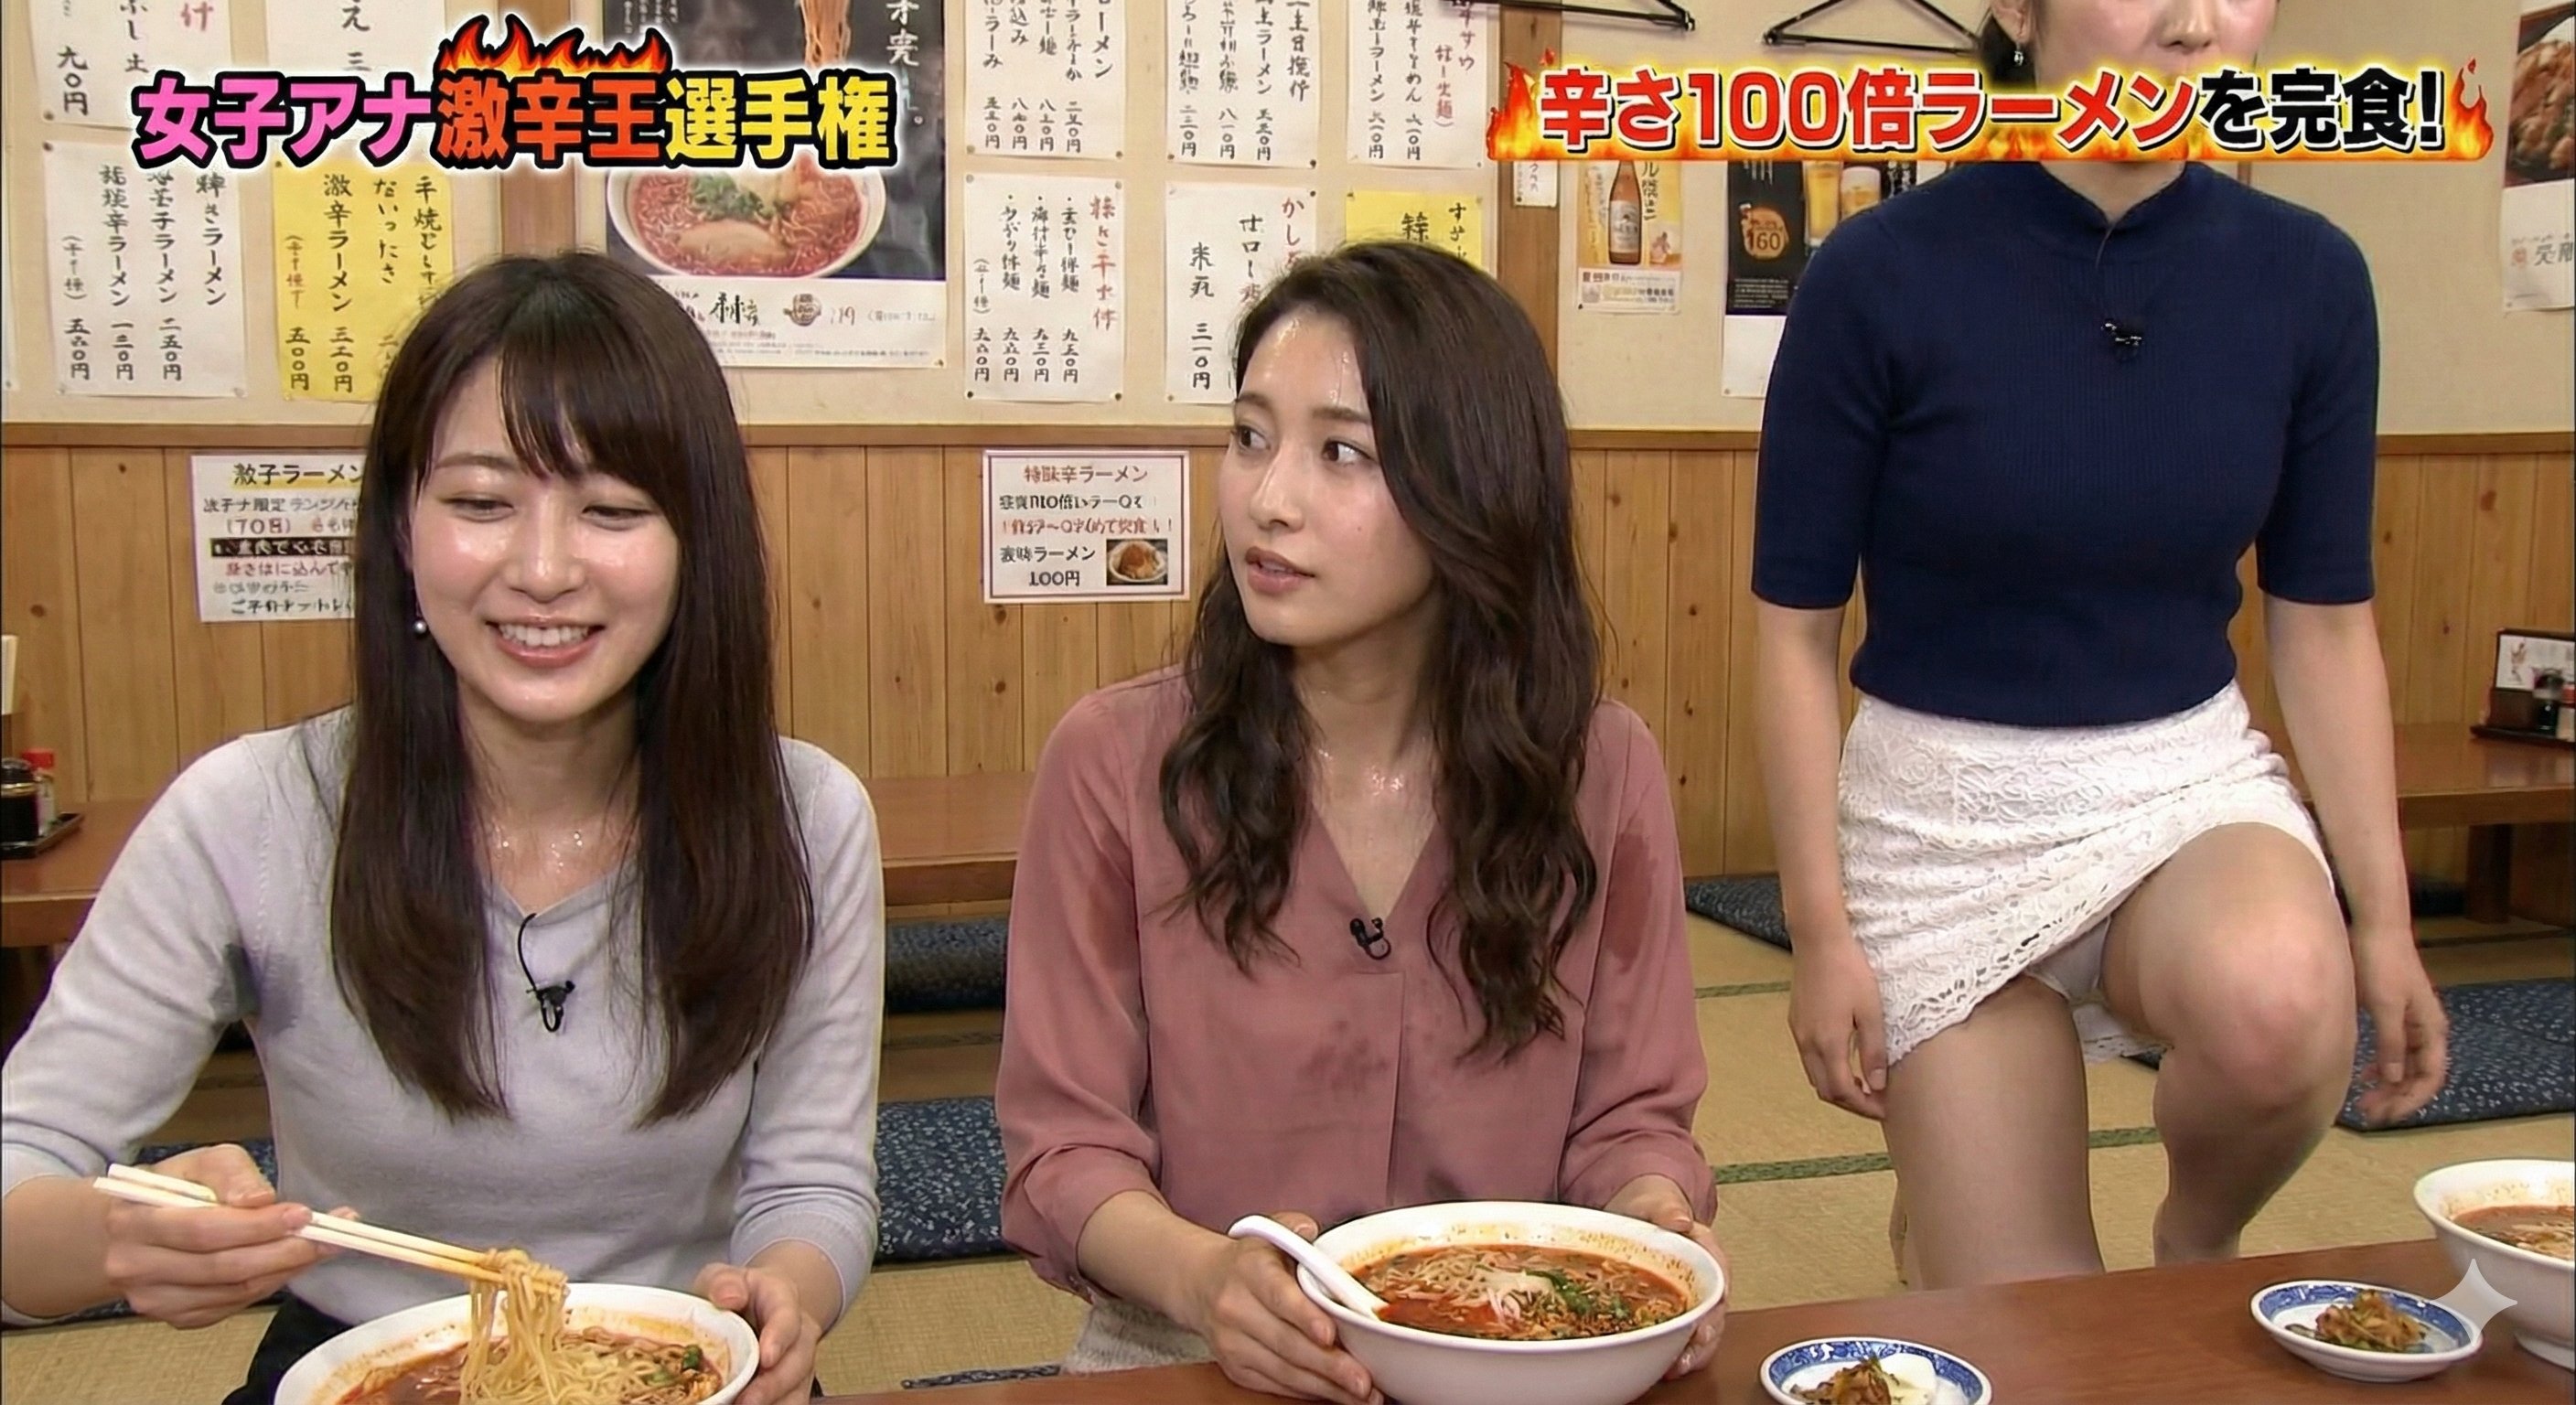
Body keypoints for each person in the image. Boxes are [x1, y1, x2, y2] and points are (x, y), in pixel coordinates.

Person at [0, 252, 885, 1405]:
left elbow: (812, 1182)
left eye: (614, 511)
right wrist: (118, 1240)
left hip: (688, 1365)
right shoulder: (249, 813)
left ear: (695, 546)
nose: (544, 570)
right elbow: (21, 1166)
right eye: (479, 503)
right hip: (367, 1364)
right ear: (401, 528)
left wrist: (781, 1298)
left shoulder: (806, 817)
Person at [1751, 0, 2451, 1292]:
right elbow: (1794, 634)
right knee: (2037, 1339)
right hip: (1942, 822)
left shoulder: (2307, 276)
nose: (2197, 20)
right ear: (2017, 9)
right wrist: (1820, 929)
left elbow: (2323, 619)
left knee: (2282, 1000)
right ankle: (1951, 1208)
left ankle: (2197, 1241)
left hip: (2181, 788)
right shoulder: (1878, 271)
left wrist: (2386, 920)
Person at [995, 241, 1723, 1405]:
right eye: (1249, 437)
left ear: (1470, 488)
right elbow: (1063, 1147)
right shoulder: (1114, 761)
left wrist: (1652, 1227)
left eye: (1341, 452)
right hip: (1185, 1343)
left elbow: (1630, 1120)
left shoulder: (1601, 768)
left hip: (1507, 1343)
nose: (1267, 500)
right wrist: (1205, 1282)